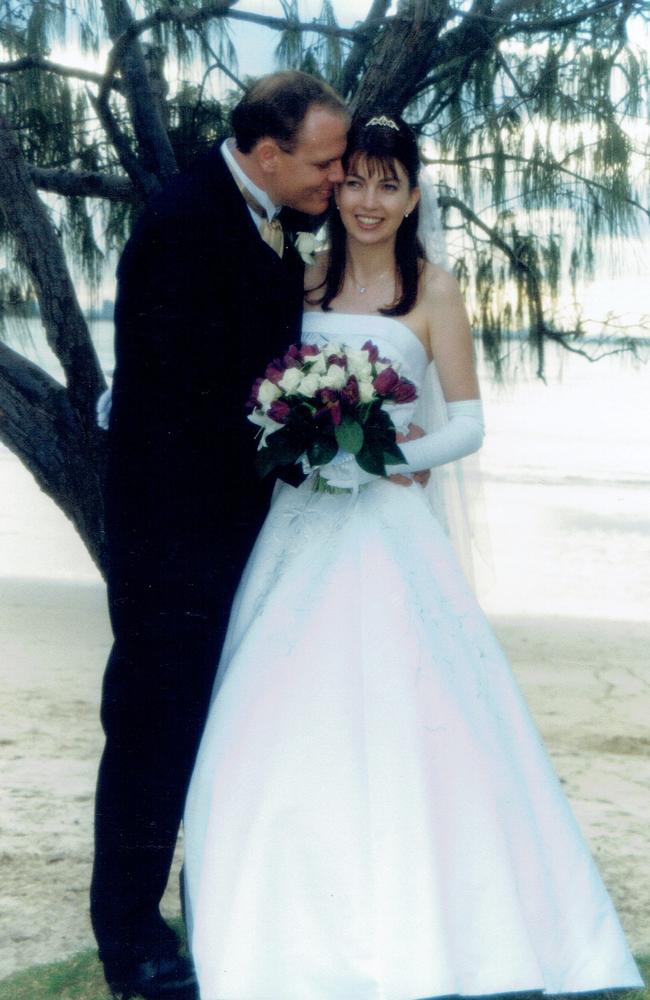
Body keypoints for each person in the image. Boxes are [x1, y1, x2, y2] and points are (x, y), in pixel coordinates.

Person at [182, 113, 643, 1000]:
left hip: (385, 535)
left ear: (414, 195)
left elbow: (468, 424)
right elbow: (254, 388)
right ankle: (276, 920)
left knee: (409, 712)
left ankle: (434, 923)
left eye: (387, 184)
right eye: (353, 180)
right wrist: (295, 439)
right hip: (299, 526)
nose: (366, 200)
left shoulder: (434, 290)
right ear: (336, 186)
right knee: (273, 709)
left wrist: (384, 460)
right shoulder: (302, 280)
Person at [91, 71, 348, 1000]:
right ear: (269, 152)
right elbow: (177, 401)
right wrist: (300, 427)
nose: (337, 178)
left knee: (220, 724)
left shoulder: (273, 214)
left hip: (237, 525)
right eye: (324, 163)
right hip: (173, 536)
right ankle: (130, 939)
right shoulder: (181, 224)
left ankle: (223, 907)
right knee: (153, 725)